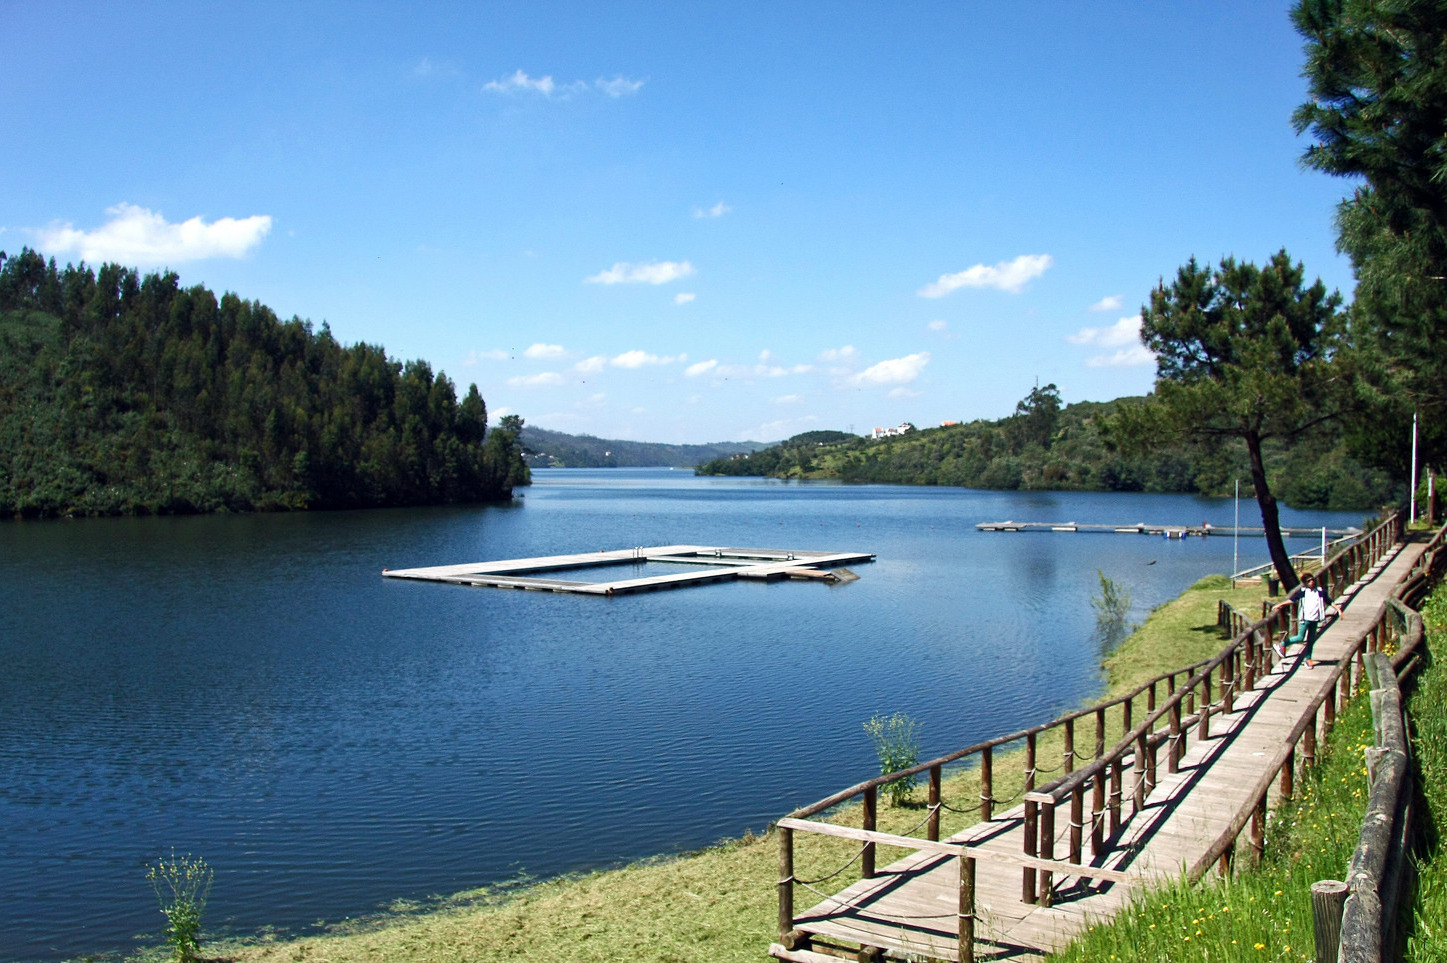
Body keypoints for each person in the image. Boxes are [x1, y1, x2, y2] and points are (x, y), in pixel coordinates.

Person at [1272, 572, 1342, 668]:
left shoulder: (1321, 591)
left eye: (1312, 580)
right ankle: (1282, 645)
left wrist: (1338, 610)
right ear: (1305, 583)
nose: (1312, 582)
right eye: (1308, 581)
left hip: (1315, 619)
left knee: (1311, 640)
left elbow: (1329, 601)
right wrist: (1280, 605)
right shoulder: (1303, 592)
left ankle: (1308, 659)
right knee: (1300, 637)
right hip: (1305, 619)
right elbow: (1292, 600)